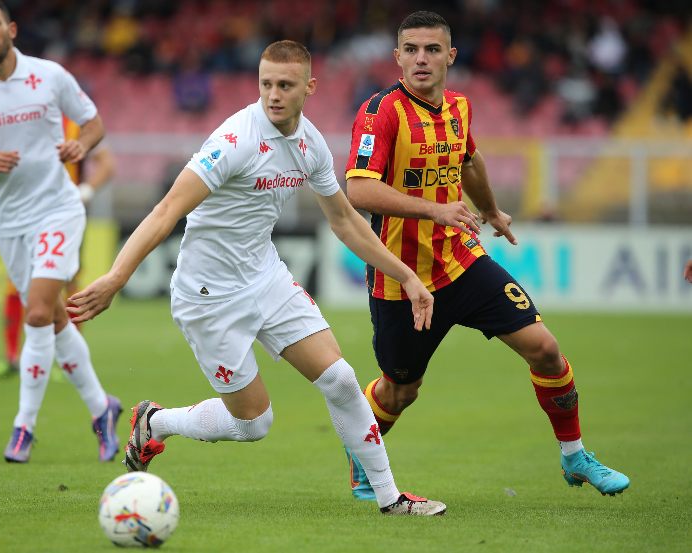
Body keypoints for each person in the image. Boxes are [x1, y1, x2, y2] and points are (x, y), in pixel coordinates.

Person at [69, 40, 445, 516]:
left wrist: (407, 276)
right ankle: (156, 422)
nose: (273, 94)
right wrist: (115, 278)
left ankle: (391, 499)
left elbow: (346, 221)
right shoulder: (235, 141)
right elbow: (167, 210)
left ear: (309, 87)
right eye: (266, 83)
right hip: (208, 296)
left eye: (285, 85)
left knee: (342, 380)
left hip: (265, 276)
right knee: (254, 423)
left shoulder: (309, 144)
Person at [342, 11, 630, 501]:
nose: (421, 59)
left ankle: (574, 454)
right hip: (401, 276)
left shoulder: (459, 107)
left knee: (545, 348)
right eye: (410, 49)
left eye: (432, 49)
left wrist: (492, 210)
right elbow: (358, 190)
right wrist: (436, 210)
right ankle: (363, 455)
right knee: (399, 391)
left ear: (450, 56)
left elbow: (468, 159)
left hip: (462, 261)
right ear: (396, 57)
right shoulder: (381, 112)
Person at [0, 0, 122, 463]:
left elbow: (94, 124)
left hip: (57, 209)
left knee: (39, 312)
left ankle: (23, 427)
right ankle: (101, 409)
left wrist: (79, 144)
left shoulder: (49, 75)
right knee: (54, 318)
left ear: (11, 28)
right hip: (9, 220)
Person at [0, 117, 115, 377]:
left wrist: (87, 189)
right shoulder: (26, 121)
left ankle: (68, 362)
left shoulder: (78, 123)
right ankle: (12, 358)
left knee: (67, 280)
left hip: (65, 216)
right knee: (17, 279)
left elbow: (107, 164)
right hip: (27, 213)